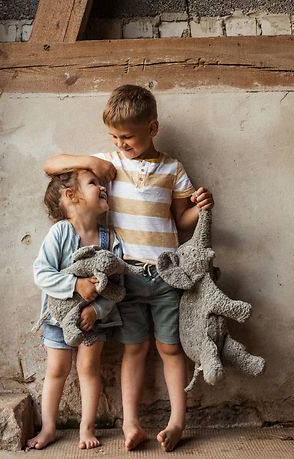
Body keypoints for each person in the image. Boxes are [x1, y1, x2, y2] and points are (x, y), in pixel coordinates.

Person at [44, 84, 214, 452]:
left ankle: (177, 422)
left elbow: (181, 220)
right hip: (126, 277)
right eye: (115, 137)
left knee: (171, 349)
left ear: (152, 128)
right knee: (133, 349)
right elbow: (51, 165)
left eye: (128, 137)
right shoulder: (109, 165)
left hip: (167, 274)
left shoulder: (173, 168)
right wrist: (91, 163)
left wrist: (199, 207)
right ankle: (131, 424)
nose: (121, 144)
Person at [28, 169, 122, 450]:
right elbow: (41, 273)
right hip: (58, 318)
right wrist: (75, 285)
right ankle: (48, 428)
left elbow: (117, 287)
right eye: (93, 183)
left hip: (94, 320)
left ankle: (87, 427)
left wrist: (97, 311)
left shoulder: (109, 239)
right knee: (57, 368)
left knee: (88, 368)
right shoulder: (60, 232)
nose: (102, 187)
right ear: (71, 196)